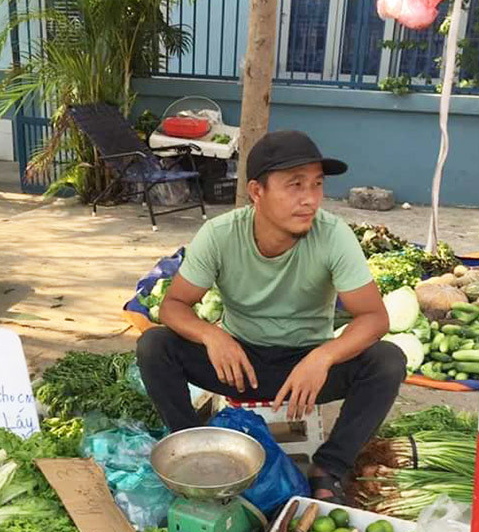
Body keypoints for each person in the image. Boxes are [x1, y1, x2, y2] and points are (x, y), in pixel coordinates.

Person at [137, 129, 406, 501]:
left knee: (387, 360)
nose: (310, 199)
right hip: (237, 364)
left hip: (305, 372)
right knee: (154, 345)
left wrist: (323, 356)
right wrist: (212, 335)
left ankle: (329, 468)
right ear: (256, 191)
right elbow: (173, 306)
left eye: (316, 185)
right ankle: (192, 448)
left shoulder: (333, 236)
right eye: (294, 185)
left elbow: (374, 318)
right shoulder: (220, 235)